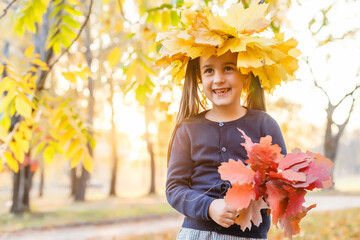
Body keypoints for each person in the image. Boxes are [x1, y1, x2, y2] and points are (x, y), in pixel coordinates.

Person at [156, 2, 300, 239]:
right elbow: (174, 189)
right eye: (209, 70)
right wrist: (209, 207)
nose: (218, 79)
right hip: (197, 234)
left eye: (229, 68)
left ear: (246, 73)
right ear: (200, 79)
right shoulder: (189, 129)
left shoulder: (264, 125)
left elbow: (282, 185)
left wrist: (266, 192)